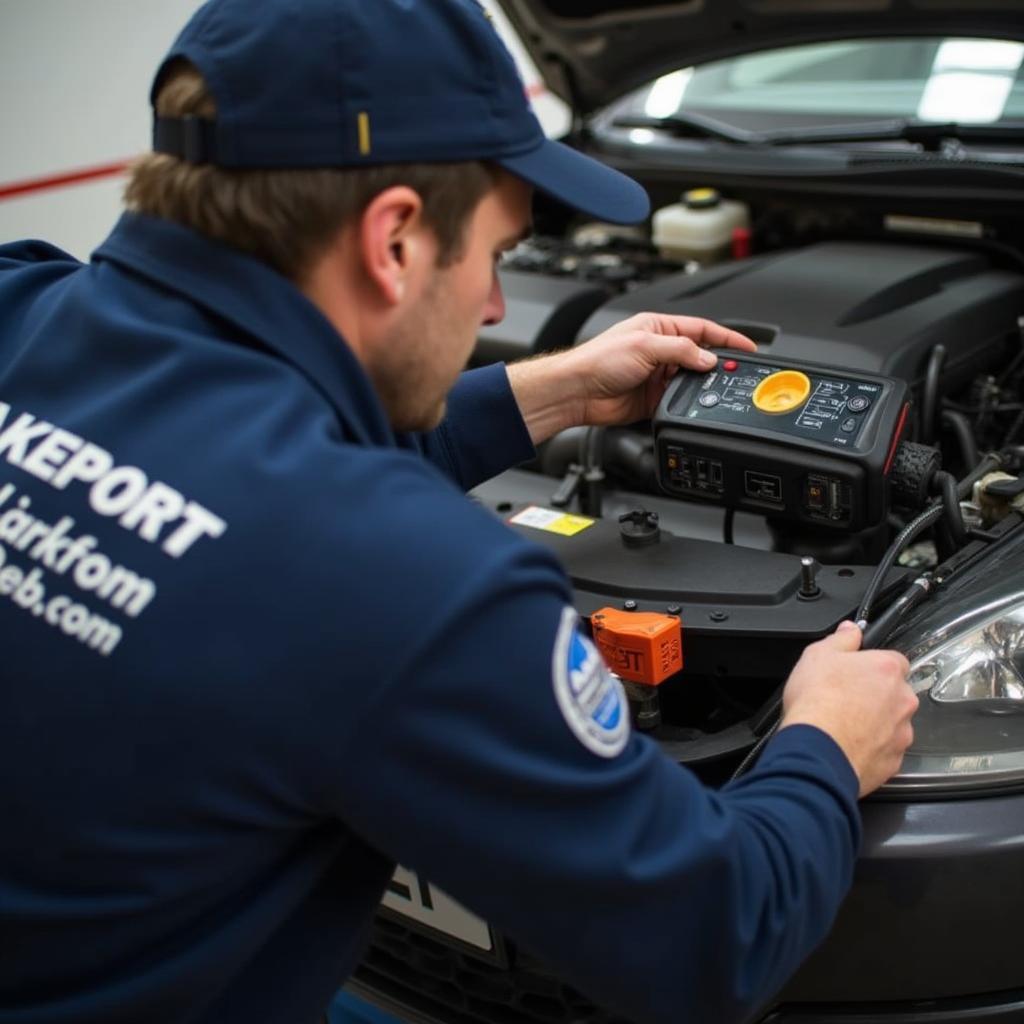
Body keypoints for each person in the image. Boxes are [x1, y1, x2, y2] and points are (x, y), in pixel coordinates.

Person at [0, 1, 917, 1023]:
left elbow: (242, 477)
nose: (492, 306)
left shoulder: (18, 306)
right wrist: (824, 743)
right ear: (393, 238)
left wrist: (552, 393)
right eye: (493, 255)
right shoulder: (407, 586)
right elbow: (716, 937)